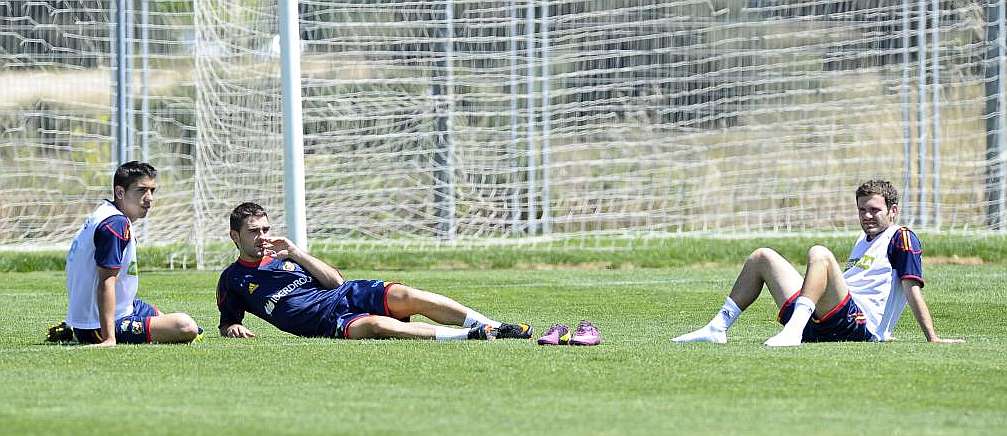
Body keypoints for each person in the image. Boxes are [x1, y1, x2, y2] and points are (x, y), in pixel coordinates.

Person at [672, 179, 963, 347]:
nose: (867, 216)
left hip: (856, 325)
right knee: (762, 257)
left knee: (820, 253)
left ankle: (793, 331)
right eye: (862, 210)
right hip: (827, 320)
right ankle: (717, 328)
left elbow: (911, 290)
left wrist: (932, 338)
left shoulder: (902, 237)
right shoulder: (863, 240)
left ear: (893, 211)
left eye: (874, 210)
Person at [216, 202, 533, 341]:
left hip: (346, 293)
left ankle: (496, 326)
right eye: (254, 231)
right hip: (325, 322)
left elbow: (335, 281)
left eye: (266, 229)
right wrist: (232, 327)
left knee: (406, 295)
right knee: (378, 326)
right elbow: (228, 322)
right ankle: (471, 336)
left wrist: (297, 252)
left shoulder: (287, 255)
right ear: (235, 236)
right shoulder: (233, 280)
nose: (263, 236)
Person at [54, 161, 201, 347]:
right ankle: (89, 333)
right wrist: (109, 338)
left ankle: (72, 329)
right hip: (96, 325)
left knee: (190, 328)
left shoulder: (106, 213)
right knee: (185, 326)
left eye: (152, 190)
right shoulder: (115, 224)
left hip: (122, 308)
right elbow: (106, 281)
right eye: (142, 190)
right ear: (120, 192)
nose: (149, 198)